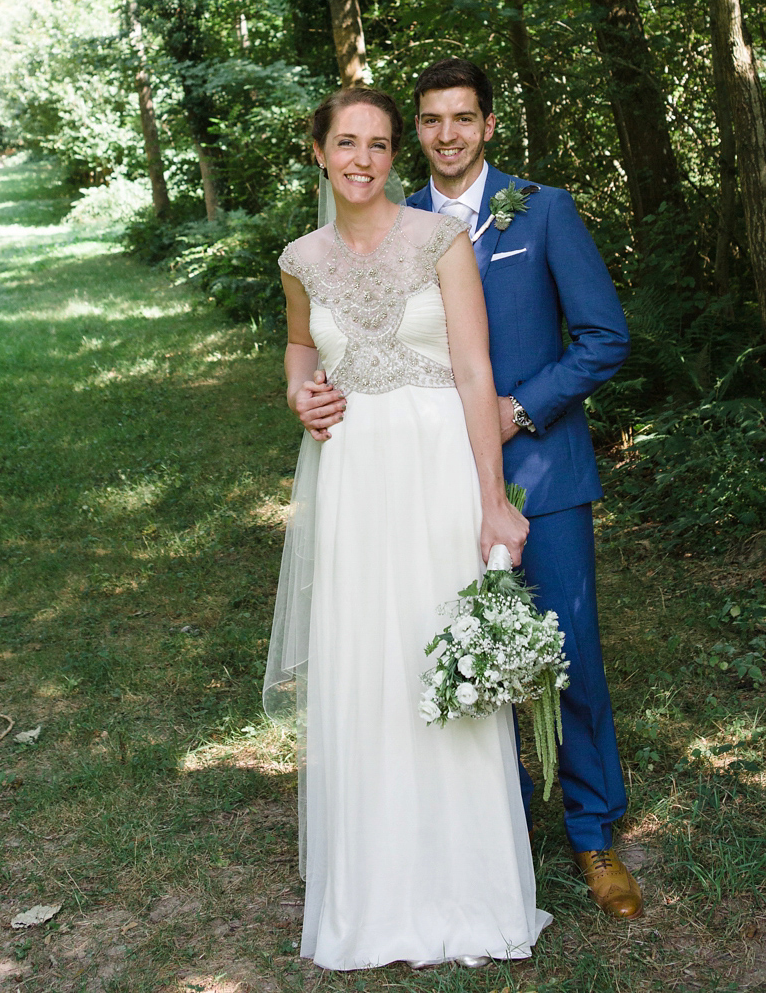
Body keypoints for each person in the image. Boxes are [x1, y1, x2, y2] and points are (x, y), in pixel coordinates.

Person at [266, 85, 551, 971]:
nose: (363, 159)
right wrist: (297, 388)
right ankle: (374, 899)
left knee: (440, 655)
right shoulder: (300, 257)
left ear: (396, 156)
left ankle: (470, 894)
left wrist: (493, 498)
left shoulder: (441, 240)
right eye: (346, 142)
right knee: (366, 667)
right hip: (354, 474)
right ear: (318, 151)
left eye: (380, 144)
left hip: (436, 470)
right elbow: (300, 345)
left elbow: (474, 371)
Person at [397, 56, 640, 920]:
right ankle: (484, 828)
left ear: (490, 125)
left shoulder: (543, 210)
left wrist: (520, 408)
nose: (448, 134)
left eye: (464, 118)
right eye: (432, 120)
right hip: (432, 477)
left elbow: (604, 337)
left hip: (544, 473)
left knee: (567, 652)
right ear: (416, 130)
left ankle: (593, 830)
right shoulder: (397, 223)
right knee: (456, 650)